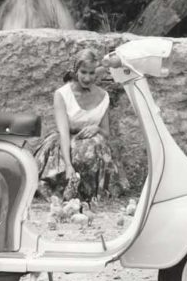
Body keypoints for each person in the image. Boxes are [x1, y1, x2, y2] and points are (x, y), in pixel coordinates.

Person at [34, 48, 129, 201]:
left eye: (92, 73)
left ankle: (90, 191)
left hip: (91, 146)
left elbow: (106, 132)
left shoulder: (104, 96)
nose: (87, 78)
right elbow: (63, 133)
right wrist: (69, 165)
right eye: (83, 72)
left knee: (96, 142)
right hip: (65, 143)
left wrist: (97, 128)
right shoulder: (62, 94)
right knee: (79, 148)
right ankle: (65, 185)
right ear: (75, 71)